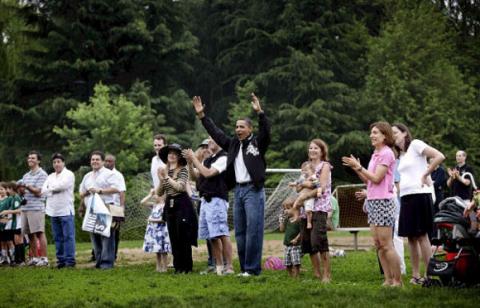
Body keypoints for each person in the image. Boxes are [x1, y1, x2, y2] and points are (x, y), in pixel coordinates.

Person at [192, 93, 270, 276]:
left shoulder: (258, 143)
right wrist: (202, 116)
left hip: (253, 190)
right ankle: (244, 269)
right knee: (240, 232)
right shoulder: (234, 145)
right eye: (236, 127)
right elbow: (217, 134)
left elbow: (266, 132)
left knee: (253, 231)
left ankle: (252, 269)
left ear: (250, 129)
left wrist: (260, 113)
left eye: (242, 127)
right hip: (239, 191)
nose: (238, 129)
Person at [343, 122, 402, 286]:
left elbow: (377, 178)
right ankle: (387, 279)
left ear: (385, 135)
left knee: (386, 244)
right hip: (373, 201)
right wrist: (356, 168)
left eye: (375, 132)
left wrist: (359, 166)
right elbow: (369, 180)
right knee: (378, 244)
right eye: (371, 133)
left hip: (384, 202)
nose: (371, 135)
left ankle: (398, 281)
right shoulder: (376, 153)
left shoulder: (387, 153)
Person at [392, 123, 445, 285]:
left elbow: (439, 156)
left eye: (395, 132)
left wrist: (426, 174)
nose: (393, 135)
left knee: (422, 236)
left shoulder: (416, 145)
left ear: (404, 134)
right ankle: (416, 276)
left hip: (420, 196)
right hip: (406, 198)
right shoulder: (400, 156)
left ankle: (429, 275)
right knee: (411, 238)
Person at [183, 138, 234, 276]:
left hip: (217, 199)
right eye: (206, 143)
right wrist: (189, 162)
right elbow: (195, 177)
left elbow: (208, 173)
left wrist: (194, 158)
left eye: (212, 140)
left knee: (222, 233)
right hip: (205, 200)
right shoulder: (207, 160)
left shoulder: (224, 157)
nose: (209, 143)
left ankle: (229, 267)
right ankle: (218, 268)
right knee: (212, 236)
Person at [157, 143, 198, 274]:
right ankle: (178, 267)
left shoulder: (183, 170)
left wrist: (166, 177)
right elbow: (159, 193)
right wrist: (161, 179)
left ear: (179, 157)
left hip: (182, 204)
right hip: (169, 205)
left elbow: (180, 187)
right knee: (173, 237)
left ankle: (186, 267)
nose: (172, 155)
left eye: (175, 153)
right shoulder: (165, 171)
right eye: (170, 153)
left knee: (183, 237)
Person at [79, 150, 121, 269]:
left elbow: (116, 189)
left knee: (106, 236)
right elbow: (81, 193)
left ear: (102, 161)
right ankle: (98, 262)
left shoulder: (109, 174)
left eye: (97, 159)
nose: (95, 161)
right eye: (93, 159)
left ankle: (107, 264)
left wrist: (100, 191)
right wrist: (88, 192)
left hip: (106, 208)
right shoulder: (87, 176)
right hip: (91, 209)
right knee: (95, 237)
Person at [299, 139, 332, 282]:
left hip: (320, 207)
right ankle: (316, 273)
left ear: (322, 151)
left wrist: (306, 193)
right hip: (305, 208)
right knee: (307, 242)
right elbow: (299, 186)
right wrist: (301, 188)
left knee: (318, 241)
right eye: (310, 148)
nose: (312, 150)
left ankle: (326, 274)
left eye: (316, 148)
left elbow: (322, 188)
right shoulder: (306, 167)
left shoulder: (325, 166)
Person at [41, 153, 76, 268]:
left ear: (63, 162)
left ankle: (70, 261)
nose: (56, 164)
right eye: (54, 162)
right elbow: (43, 190)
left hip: (66, 210)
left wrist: (50, 189)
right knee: (58, 237)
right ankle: (61, 261)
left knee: (68, 237)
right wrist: (52, 189)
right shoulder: (50, 176)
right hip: (53, 211)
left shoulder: (69, 174)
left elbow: (63, 186)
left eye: (59, 162)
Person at [21, 150, 49, 266]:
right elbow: (23, 191)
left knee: (39, 233)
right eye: (29, 158)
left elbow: (39, 192)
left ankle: (44, 258)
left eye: (33, 158)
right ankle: (35, 258)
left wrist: (26, 186)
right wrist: (20, 190)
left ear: (38, 161)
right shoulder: (26, 175)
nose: (30, 160)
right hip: (25, 208)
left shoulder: (43, 174)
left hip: (36, 208)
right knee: (30, 234)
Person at [141, 188, 171, 272]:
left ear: (162, 196)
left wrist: (151, 220)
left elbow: (164, 219)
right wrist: (150, 195)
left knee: (163, 250)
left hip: (162, 230)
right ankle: (158, 267)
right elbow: (142, 202)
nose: (154, 197)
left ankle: (165, 267)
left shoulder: (165, 206)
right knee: (156, 249)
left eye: (156, 195)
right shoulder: (154, 205)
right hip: (154, 230)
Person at [104, 154, 126, 260]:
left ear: (114, 162)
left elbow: (122, 192)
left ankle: (114, 254)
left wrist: (122, 207)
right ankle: (97, 254)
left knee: (115, 231)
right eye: (106, 161)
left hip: (116, 206)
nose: (107, 163)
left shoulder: (118, 175)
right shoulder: (102, 174)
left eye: (110, 161)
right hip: (104, 206)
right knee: (101, 229)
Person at [289, 161, 318, 228]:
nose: (304, 172)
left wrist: (304, 184)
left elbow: (315, 184)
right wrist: (293, 184)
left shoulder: (313, 176)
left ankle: (309, 222)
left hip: (309, 197)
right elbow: (298, 186)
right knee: (295, 206)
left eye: (306, 170)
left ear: (312, 170)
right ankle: (296, 216)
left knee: (308, 210)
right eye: (303, 170)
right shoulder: (303, 178)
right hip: (301, 197)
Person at [278, 198, 301, 278]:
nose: (285, 211)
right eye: (284, 209)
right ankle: (291, 275)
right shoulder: (287, 219)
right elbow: (281, 230)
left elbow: (302, 232)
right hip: (287, 245)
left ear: (295, 208)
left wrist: (296, 239)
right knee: (287, 263)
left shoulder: (299, 219)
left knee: (296, 262)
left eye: (288, 208)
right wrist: (281, 221)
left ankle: (297, 275)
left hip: (296, 245)